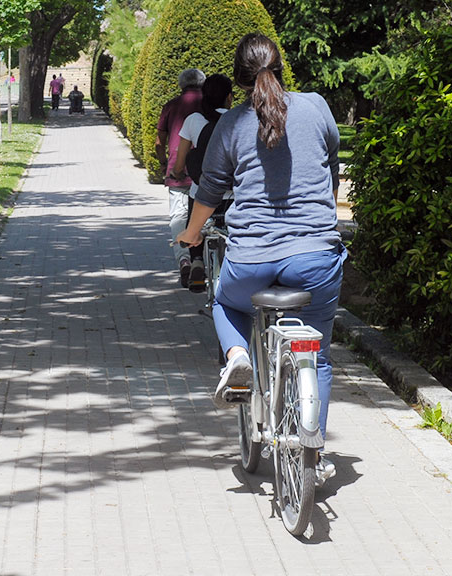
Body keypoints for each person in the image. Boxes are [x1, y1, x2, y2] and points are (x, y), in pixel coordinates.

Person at [175, 33, 343, 483]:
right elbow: (330, 168)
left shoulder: (231, 123)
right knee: (321, 357)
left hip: (251, 260)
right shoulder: (316, 107)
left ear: (239, 77)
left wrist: (191, 236)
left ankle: (237, 357)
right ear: (280, 65)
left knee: (225, 303)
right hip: (315, 259)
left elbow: (209, 189)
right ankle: (315, 450)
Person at [168, 73, 234, 292]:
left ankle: (196, 261)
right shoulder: (239, 119)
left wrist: (177, 173)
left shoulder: (194, 120)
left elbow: (181, 158)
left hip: (203, 192)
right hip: (234, 194)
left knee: (194, 222)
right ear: (230, 97)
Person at [155, 68, 204, 288]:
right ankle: (200, 260)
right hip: (205, 170)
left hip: (177, 170)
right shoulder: (209, 103)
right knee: (205, 216)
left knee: (177, 217)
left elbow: (159, 140)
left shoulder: (171, 106)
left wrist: (164, 162)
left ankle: (183, 259)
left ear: (180, 84)